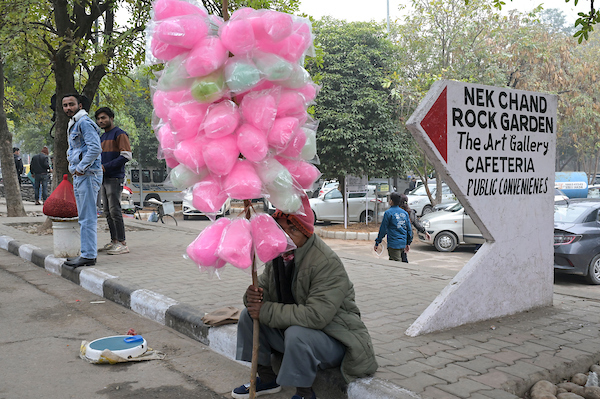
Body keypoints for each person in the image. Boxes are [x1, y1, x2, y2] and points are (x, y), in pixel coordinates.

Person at [232, 196, 377, 399]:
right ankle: (266, 378)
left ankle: (304, 393)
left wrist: (265, 310)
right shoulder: (279, 255)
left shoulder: (326, 262)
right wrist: (252, 298)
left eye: (293, 230)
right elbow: (263, 291)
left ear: (307, 231)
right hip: (296, 335)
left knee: (297, 332)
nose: (286, 235)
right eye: (281, 229)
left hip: (334, 338)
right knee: (248, 316)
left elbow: (316, 316)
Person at [62, 93, 103, 268]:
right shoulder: (75, 123)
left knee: (87, 217)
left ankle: (88, 255)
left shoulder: (84, 122)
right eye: (65, 105)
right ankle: (87, 253)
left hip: (87, 175)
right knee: (84, 217)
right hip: (81, 175)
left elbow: (95, 148)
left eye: (71, 104)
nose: (68, 108)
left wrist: (80, 168)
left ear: (79, 105)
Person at [95, 106, 132, 255]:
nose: (101, 121)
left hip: (115, 177)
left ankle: (122, 243)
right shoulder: (102, 137)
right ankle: (114, 241)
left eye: (103, 118)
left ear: (111, 118)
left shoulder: (119, 134)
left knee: (115, 210)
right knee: (107, 211)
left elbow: (126, 156)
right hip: (103, 177)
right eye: (98, 118)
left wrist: (106, 167)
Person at [374, 192, 413, 262]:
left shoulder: (388, 213)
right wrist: (408, 243)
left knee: (396, 265)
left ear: (391, 201)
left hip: (394, 243)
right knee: (403, 263)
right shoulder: (404, 213)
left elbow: (383, 229)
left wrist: (378, 242)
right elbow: (409, 230)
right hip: (403, 242)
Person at [399, 193, 430, 263]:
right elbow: (416, 224)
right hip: (405, 238)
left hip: (399, 238)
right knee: (403, 257)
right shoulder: (410, 212)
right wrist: (425, 232)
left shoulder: (395, 212)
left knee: (399, 258)